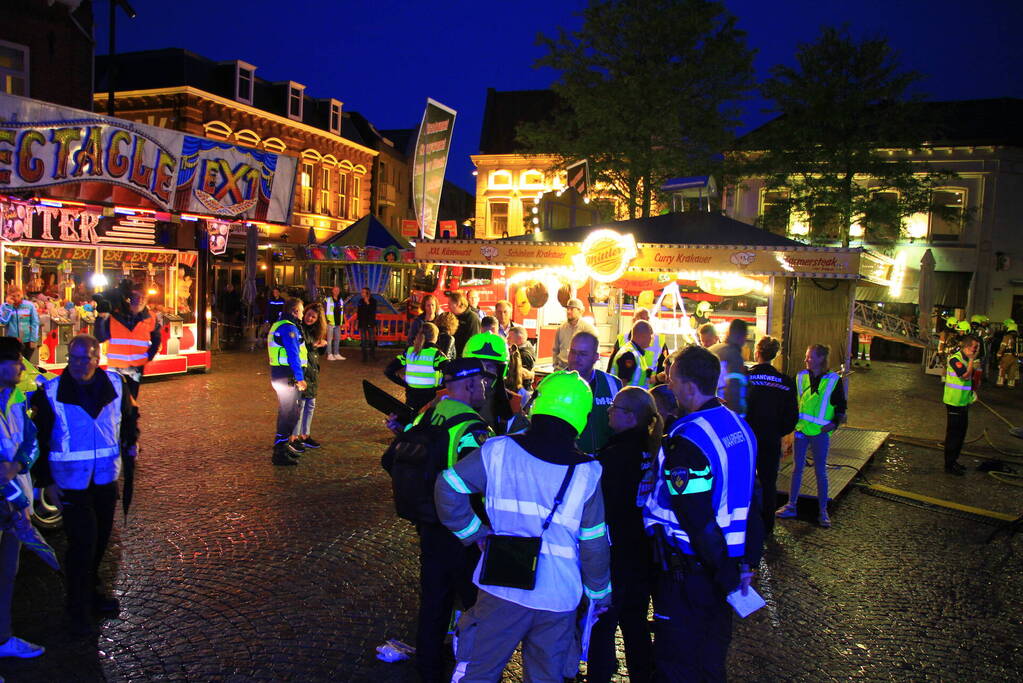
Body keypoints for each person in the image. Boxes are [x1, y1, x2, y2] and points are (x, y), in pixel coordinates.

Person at [434, 371, 612, 682]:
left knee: (479, 673)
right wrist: (599, 593)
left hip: (501, 585)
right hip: (558, 597)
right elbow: (594, 543)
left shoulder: (498, 450)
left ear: (538, 405)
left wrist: (474, 534)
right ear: (581, 417)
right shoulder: (589, 473)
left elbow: (447, 486)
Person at [641, 346, 757, 681]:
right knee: (710, 660)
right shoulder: (738, 427)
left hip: (690, 576)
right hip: (725, 569)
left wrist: (723, 572)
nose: (669, 385)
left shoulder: (688, 441)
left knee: (676, 664)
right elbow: (753, 504)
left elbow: (698, 519)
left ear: (690, 387)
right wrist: (743, 564)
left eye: (673, 379)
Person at [31, 334, 139, 636]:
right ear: (69, 357)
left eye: (87, 358)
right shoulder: (50, 392)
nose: (80, 364)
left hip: (105, 478)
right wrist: (46, 481)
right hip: (70, 482)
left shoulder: (117, 385)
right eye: (75, 358)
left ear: (97, 357)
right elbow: (38, 440)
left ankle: (91, 594)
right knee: (83, 542)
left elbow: (128, 420)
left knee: (101, 539)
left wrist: (132, 442)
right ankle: (76, 606)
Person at [400, 358, 495, 683]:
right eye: (483, 382)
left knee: (433, 602)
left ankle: (427, 670)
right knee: (474, 607)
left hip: (429, 523)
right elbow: (479, 483)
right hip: (463, 531)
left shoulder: (431, 411)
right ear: (469, 384)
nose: (486, 388)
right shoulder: (472, 427)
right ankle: (470, 670)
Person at [589, 387, 661, 683]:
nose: (609, 411)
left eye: (615, 407)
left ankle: (599, 675)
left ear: (630, 417)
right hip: (639, 549)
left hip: (616, 550)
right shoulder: (648, 449)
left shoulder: (617, 455)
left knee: (603, 623)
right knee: (635, 623)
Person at [0, 337, 45, 658]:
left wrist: (18, 464)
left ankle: (2, 638)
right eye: (17, 360)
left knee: (7, 573)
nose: (22, 366)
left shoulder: (16, 398)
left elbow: (31, 440)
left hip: (15, 503)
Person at [776, 344, 846, 525]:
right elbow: (790, 400)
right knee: (797, 469)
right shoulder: (800, 377)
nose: (806, 359)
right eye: (807, 356)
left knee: (820, 471)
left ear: (821, 359)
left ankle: (823, 511)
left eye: (810, 357)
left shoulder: (833, 380)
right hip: (801, 430)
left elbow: (841, 406)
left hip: (819, 433)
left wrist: (833, 424)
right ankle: (791, 505)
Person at [745, 336, 798, 538]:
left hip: (746, 439)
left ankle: (745, 525)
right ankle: (767, 526)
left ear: (757, 352)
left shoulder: (745, 377)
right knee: (768, 483)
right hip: (770, 439)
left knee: (745, 480)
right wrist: (778, 431)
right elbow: (792, 416)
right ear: (775, 355)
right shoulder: (785, 382)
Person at [94, 281, 162, 399]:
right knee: (114, 402)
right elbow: (100, 336)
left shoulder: (151, 317)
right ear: (129, 298)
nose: (140, 300)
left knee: (131, 402)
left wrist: (148, 356)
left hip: (136, 368)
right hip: (116, 368)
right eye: (137, 296)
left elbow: (156, 339)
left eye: (143, 297)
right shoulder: (115, 316)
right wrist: (101, 317)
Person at [267, 298, 308, 465]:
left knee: (288, 412)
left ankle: (283, 446)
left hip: (281, 375)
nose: (303, 313)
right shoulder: (288, 327)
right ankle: (280, 452)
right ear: (294, 311)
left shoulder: (280, 324)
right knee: (289, 414)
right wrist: (300, 377)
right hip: (287, 376)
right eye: (302, 310)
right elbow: (293, 354)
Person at [568, 331, 623, 454]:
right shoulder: (554, 384)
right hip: (567, 464)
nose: (576, 358)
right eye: (573, 352)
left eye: (582, 354)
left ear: (595, 357)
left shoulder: (613, 384)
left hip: (605, 464)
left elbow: (624, 428)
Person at [385, 322, 447, 413]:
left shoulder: (409, 351)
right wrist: (441, 387)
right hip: (429, 397)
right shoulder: (436, 354)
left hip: (411, 396)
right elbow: (450, 371)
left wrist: (404, 383)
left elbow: (388, 370)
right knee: (425, 422)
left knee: (411, 421)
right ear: (435, 337)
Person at [942, 335, 980, 475]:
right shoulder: (955, 359)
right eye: (974, 348)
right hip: (954, 402)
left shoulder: (965, 359)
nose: (976, 351)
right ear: (967, 347)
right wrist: (971, 360)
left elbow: (969, 380)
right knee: (954, 435)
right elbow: (964, 375)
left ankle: (954, 461)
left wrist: (972, 393)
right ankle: (949, 464)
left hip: (963, 402)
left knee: (961, 433)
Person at [293, 303, 328, 450]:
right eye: (309, 314)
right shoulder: (299, 327)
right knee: (299, 406)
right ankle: (295, 437)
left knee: (310, 405)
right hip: (303, 371)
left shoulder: (315, 330)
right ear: (305, 312)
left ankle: (305, 435)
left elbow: (318, 352)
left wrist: (323, 345)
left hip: (312, 371)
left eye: (314, 317)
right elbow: (306, 345)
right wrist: (317, 344)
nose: (310, 318)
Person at [709, 319, 749, 416]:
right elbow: (734, 388)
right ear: (741, 337)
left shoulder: (714, 349)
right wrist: (738, 416)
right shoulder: (734, 355)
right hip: (721, 410)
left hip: (707, 406)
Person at [551, 298, 597, 371]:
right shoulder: (561, 328)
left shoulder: (588, 329)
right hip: (561, 369)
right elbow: (555, 350)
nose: (568, 311)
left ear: (580, 311)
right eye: (567, 309)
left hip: (580, 371)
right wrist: (555, 365)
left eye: (572, 309)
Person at [609, 320, 654, 388]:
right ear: (643, 335)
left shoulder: (636, 353)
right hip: (627, 398)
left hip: (633, 397)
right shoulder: (629, 354)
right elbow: (622, 383)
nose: (652, 339)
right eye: (651, 335)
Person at [0, 287, 39, 361]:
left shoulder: (29, 305)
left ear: (22, 295)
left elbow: (35, 323)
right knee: (13, 364)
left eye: (18, 295)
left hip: (27, 341)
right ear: (8, 296)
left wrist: (33, 339)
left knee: (26, 365)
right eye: (13, 296)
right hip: (12, 342)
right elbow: (4, 321)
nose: (16, 298)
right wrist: (9, 307)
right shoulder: (4, 306)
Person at [448, 292, 480, 356]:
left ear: (458, 303)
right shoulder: (453, 317)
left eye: (450, 304)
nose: (448, 306)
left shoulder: (472, 318)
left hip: (466, 358)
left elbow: (473, 341)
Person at [507, 325, 536, 391]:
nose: (507, 339)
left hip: (520, 391)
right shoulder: (527, 348)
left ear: (519, 338)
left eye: (510, 337)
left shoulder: (523, 355)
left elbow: (522, 375)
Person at [323, 285, 347, 361]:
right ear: (332, 291)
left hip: (337, 323)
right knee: (329, 340)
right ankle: (329, 354)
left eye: (338, 290)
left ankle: (336, 353)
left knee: (337, 339)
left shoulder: (341, 300)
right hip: (330, 322)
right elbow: (323, 311)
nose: (336, 292)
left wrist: (343, 322)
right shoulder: (327, 300)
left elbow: (342, 312)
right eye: (335, 290)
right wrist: (326, 320)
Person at [356, 287, 378, 363]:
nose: (361, 293)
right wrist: (357, 323)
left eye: (363, 292)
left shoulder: (373, 301)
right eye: (361, 292)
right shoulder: (360, 301)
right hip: (362, 323)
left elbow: (373, 311)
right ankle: (364, 356)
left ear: (367, 293)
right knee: (363, 340)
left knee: (372, 340)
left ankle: (372, 354)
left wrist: (368, 303)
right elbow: (359, 313)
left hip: (370, 323)